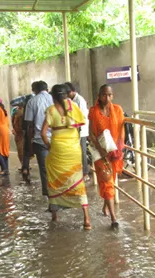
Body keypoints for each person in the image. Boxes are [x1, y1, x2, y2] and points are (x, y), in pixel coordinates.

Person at [41, 84, 91, 229]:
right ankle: (86, 219)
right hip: (74, 150)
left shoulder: (51, 110)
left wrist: (50, 146)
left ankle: (55, 215)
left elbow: (43, 133)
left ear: (53, 96)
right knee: (77, 180)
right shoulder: (74, 107)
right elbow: (81, 125)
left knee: (54, 180)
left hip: (58, 149)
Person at [89, 84, 125, 229]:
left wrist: (118, 149)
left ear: (112, 96)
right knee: (108, 182)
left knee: (110, 180)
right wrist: (100, 148)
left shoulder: (117, 109)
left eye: (109, 95)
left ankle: (105, 207)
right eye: (104, 95)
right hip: (100, 152)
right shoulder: (93, 111)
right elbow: (91, 133)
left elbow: (121, 130)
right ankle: (113, 218)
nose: (107, 98)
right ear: (99, 95)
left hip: (114, 152)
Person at [23, 81, 53, 196]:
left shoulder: (32, 101)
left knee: (44, 168)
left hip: (40, 140)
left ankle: (48, 193)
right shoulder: (53, 99)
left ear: (34, 90)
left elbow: (29, 125)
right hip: (56, 138)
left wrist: (29, 145)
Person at [65, 82, 90, 178]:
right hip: (75, 129)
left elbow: (83, 116)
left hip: (82, 130)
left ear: (71, 92)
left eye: (67, 94)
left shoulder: (80, 100)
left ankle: (85, 173)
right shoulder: (71, 100)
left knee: (82, 152)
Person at [11, 95, 29, 167]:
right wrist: (14, 129)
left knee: (24, 149)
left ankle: (25, 164)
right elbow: (13, 121)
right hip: (18, 132)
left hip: (24, 132)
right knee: (20, 149)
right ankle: (23, 164)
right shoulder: (15, 110)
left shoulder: (26, 110)